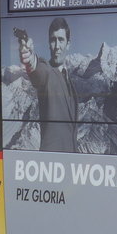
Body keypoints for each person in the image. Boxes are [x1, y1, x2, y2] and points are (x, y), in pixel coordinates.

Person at [17, 18, 79, 152]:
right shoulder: (47, 71)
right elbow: (38, 70)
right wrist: (30, 59)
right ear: (48, 44)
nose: (57, 46)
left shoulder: (69, 79)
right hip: (51, 159)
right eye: (53, 40)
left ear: (68, 44)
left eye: (61, 40)